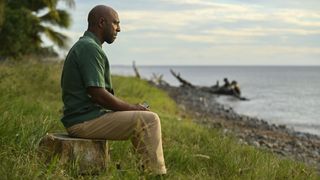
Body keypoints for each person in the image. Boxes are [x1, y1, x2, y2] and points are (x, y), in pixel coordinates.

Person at [60, 5, 166, 175]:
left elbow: (98, 95)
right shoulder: (89, 48)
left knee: (143, 117)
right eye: (116, 23)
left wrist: (133, 108)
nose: (119, 29)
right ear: (102, 22)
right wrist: (133, 108)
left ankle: (145, 171)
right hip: (83, 122)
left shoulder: (88, 46)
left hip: (87, 117)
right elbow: (98, 95)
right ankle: (155, 175)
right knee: (150, 120)